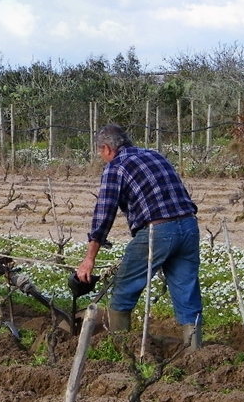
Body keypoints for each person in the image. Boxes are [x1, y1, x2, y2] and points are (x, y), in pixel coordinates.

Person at [76, 124, 204, 349]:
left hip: (159, 231)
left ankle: (120, 350)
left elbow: (104, 214)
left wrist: (89, 259)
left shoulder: (116, 167)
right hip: (189, 227)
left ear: (106, 149)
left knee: (123, 290)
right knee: (187, 292)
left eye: (100, 152)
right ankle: (196, 353)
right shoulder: (154, 155)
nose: (101, 157)